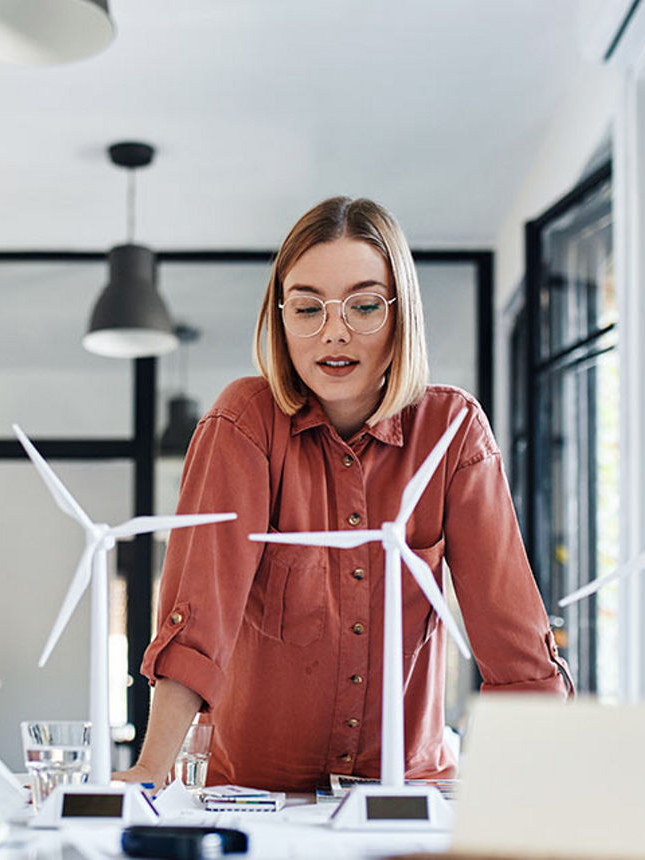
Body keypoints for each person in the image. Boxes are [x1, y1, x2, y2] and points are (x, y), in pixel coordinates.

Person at [114, 197, 571, 791]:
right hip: (258, 801)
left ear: (400, 313)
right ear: (281, 318)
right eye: (307, 307)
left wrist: (551, 787)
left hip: (407, 795)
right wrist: (151, 770)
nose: (334, 332)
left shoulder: (453, 432)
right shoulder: (244, 423)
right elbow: (196, 617)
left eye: (363, 306)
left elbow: (513, 647)